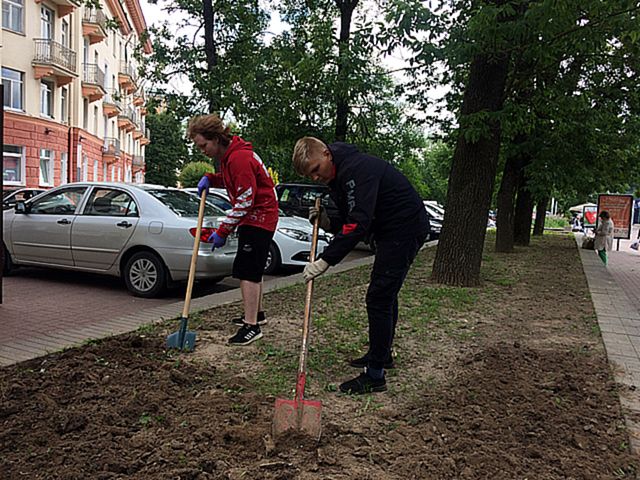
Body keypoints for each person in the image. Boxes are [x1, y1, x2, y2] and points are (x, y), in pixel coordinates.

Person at [292, 136, 430, 395]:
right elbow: (350, 215)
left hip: (403, 229)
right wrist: (328, 223)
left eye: (315, 170)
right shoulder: (340, 175)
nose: (316, 178)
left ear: (326, 154)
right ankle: (383, 354)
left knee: (379, 297)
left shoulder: (357, 170)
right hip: (389, 231)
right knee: (385, 295)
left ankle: (375, 375)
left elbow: (359, 222)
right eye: (309, 175)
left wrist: (326, 260)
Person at [187, 114, 279, 345]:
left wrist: (223, 231)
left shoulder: (238, 158)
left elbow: (245, 200)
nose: (203, 151)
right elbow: (234, 182)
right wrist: (212, 178)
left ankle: (251, 327)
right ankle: (256, 315)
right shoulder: (231, 156)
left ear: (216, 138)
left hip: (259, 216)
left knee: (247, 271)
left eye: (203, 145)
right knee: (251, 268)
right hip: (256, 216)